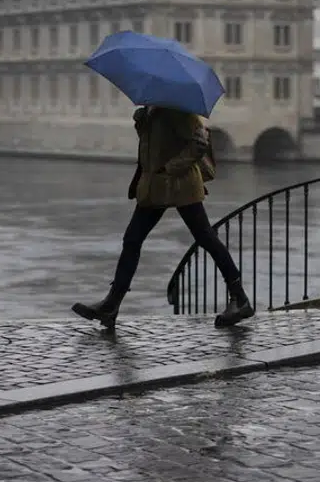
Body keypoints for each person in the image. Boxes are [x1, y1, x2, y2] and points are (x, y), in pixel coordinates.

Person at [73, 105, 254, 329]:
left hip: (181, 184)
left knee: (205, 237)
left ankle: (240, 298)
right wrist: (142, 123)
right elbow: (155, 147)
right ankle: (111, 304)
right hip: (156, 187)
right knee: (132, 239)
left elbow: (200, 142)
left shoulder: (178, 109)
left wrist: (170, 168)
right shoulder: (153, 111)